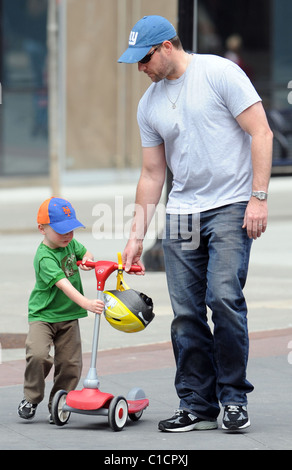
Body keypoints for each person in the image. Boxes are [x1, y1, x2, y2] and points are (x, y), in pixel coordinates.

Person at [118, 16, 273, 432]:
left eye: (145, 58)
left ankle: (234, 398)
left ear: (167, 46)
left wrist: (258, 199)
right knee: (186, 312)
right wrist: (135, 236)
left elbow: (261, 132)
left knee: (223, 297)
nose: (141, 68)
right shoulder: (148, 104)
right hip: (182, 211)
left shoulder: (220, 73)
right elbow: (152, 174)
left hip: (232, 204)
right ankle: (196, 404)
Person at [18, 197, 104, 422]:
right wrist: (86, 303)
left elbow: (87, 253)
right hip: (44, 316)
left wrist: (86, 259)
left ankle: (58, 401)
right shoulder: (44, 257)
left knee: (70, 364)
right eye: (61, 231)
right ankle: (32, 396)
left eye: (71, 230)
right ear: (42, 229)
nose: (68, 235)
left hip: (68, 316)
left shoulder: (70, 244)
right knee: (37, 355)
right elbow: (63, 285)